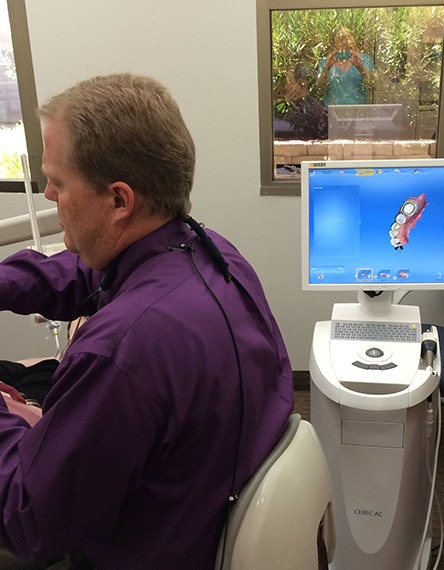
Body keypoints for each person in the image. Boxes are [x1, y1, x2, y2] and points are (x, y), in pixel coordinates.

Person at [0, 73, 294, 569]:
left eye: (59, 180)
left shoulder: (121, 354)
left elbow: (26, 520)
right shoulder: (211, 253)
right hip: (190, 495)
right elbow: (82, 272)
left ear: (119, 200)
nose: (47, 192)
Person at [317, 27, 375, 109]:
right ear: (334, 42)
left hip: (358, 112)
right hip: (332, 114)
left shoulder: (364, 59)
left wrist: (360, 67)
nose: (344, 42)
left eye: (347, 38)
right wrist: (327, 67)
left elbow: (372, 85)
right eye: (340, 39)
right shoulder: (326, 61)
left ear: (353, 40)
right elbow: (319, 90)